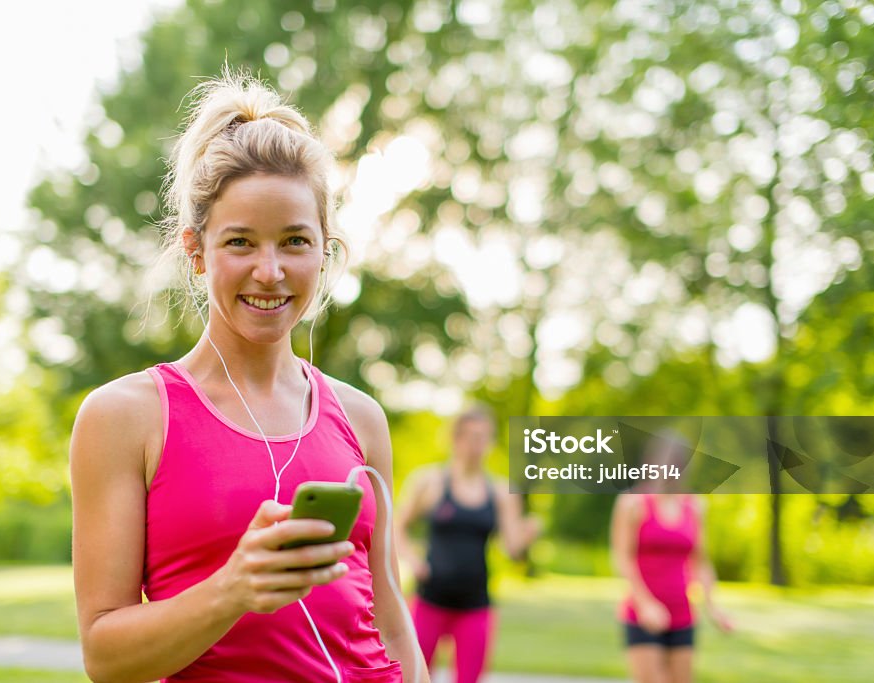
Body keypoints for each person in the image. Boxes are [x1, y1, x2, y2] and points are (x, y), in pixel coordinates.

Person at [70, 70, 427, 683]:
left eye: (294, 241)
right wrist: (234, 588)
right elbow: (106, 657)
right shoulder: (126, 416)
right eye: (240, 242)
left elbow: (388, 612)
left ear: (325, 251)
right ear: (196, 249)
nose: (270, 271)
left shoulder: (360, 417)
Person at [395, 407, 541, 683]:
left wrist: (527, 535)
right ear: (456, 439)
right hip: (431, 598)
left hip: (476, 603)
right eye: (472, 438)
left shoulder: (500, 492)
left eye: (484, 439)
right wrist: (413, 561)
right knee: (414, 676)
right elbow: (396, 526)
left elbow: (512, 550)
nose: (478, 446)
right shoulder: (429, 482)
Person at [610, 431, 734, 683]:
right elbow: (622, 558)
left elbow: (701, 562)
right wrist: (645, 604)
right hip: (643, 614)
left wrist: (713, 607)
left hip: (682, 614)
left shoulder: (694, 506)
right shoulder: (632, 503)